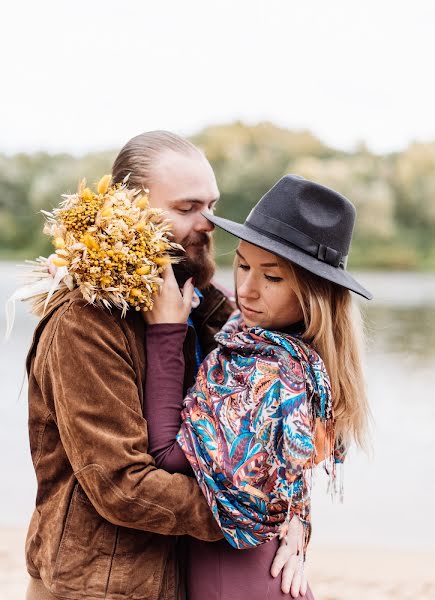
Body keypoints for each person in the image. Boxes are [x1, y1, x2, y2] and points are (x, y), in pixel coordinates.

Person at [24, 131, 304, 600]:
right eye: (186, 207)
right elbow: (123, 486)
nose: (208, 222)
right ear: (126, 211)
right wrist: (255, 515)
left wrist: (297, 512)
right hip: (97, 587)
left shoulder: (207, 310)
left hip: (177, 578)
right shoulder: (86, 323)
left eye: (211, 205)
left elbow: (263, 440)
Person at [143, 175, 372, 599]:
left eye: (273, 277)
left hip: (238, 584)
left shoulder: (269, 371)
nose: (247, 289)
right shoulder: (259, 339)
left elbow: (168, 456)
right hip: (260, 572)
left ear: (312, 294)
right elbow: (285, 473)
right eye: (244, 264)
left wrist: (166, 334)